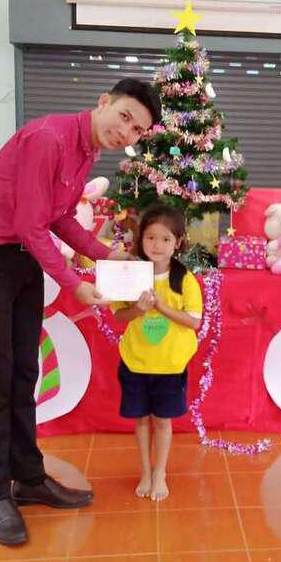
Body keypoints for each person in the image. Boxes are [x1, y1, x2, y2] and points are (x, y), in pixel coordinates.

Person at [0, 79, 162, 545]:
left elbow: (60, 218)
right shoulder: (49, 138)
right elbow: (31, 224)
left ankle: (29, 478)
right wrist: (74, 284)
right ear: (104, 102)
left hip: (24, 261)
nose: (126, 132)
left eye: (137, 130)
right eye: (125, 117)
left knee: (25, 373)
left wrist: (106, 255)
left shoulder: (86, 150)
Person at [111, 204, 203, 502]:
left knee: (162, 421)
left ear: (178, 242)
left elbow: (194, 321)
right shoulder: (130, 275)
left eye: (166, 239)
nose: (157, 245)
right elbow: (119, 315)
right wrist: (138, 310)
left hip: (170, 365)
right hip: (136, 362)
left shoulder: (184, 279)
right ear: (140, 239)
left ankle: (160, 472)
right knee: (140, 420)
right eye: (150, 237)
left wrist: (161, 306)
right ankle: (145, 471)